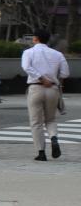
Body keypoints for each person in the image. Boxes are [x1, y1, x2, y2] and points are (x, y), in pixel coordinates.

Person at [22, 28, 69, 161]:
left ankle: (41, 152)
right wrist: (53, 79)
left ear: (35, 38)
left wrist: (41, 78)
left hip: (35, 87)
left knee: (36, 122)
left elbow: (26, 67)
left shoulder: (28, 52)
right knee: (51, 119)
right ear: (48, 39)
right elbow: (65, 73)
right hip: (53, 89)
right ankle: (53, 138)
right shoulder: (57, 54)